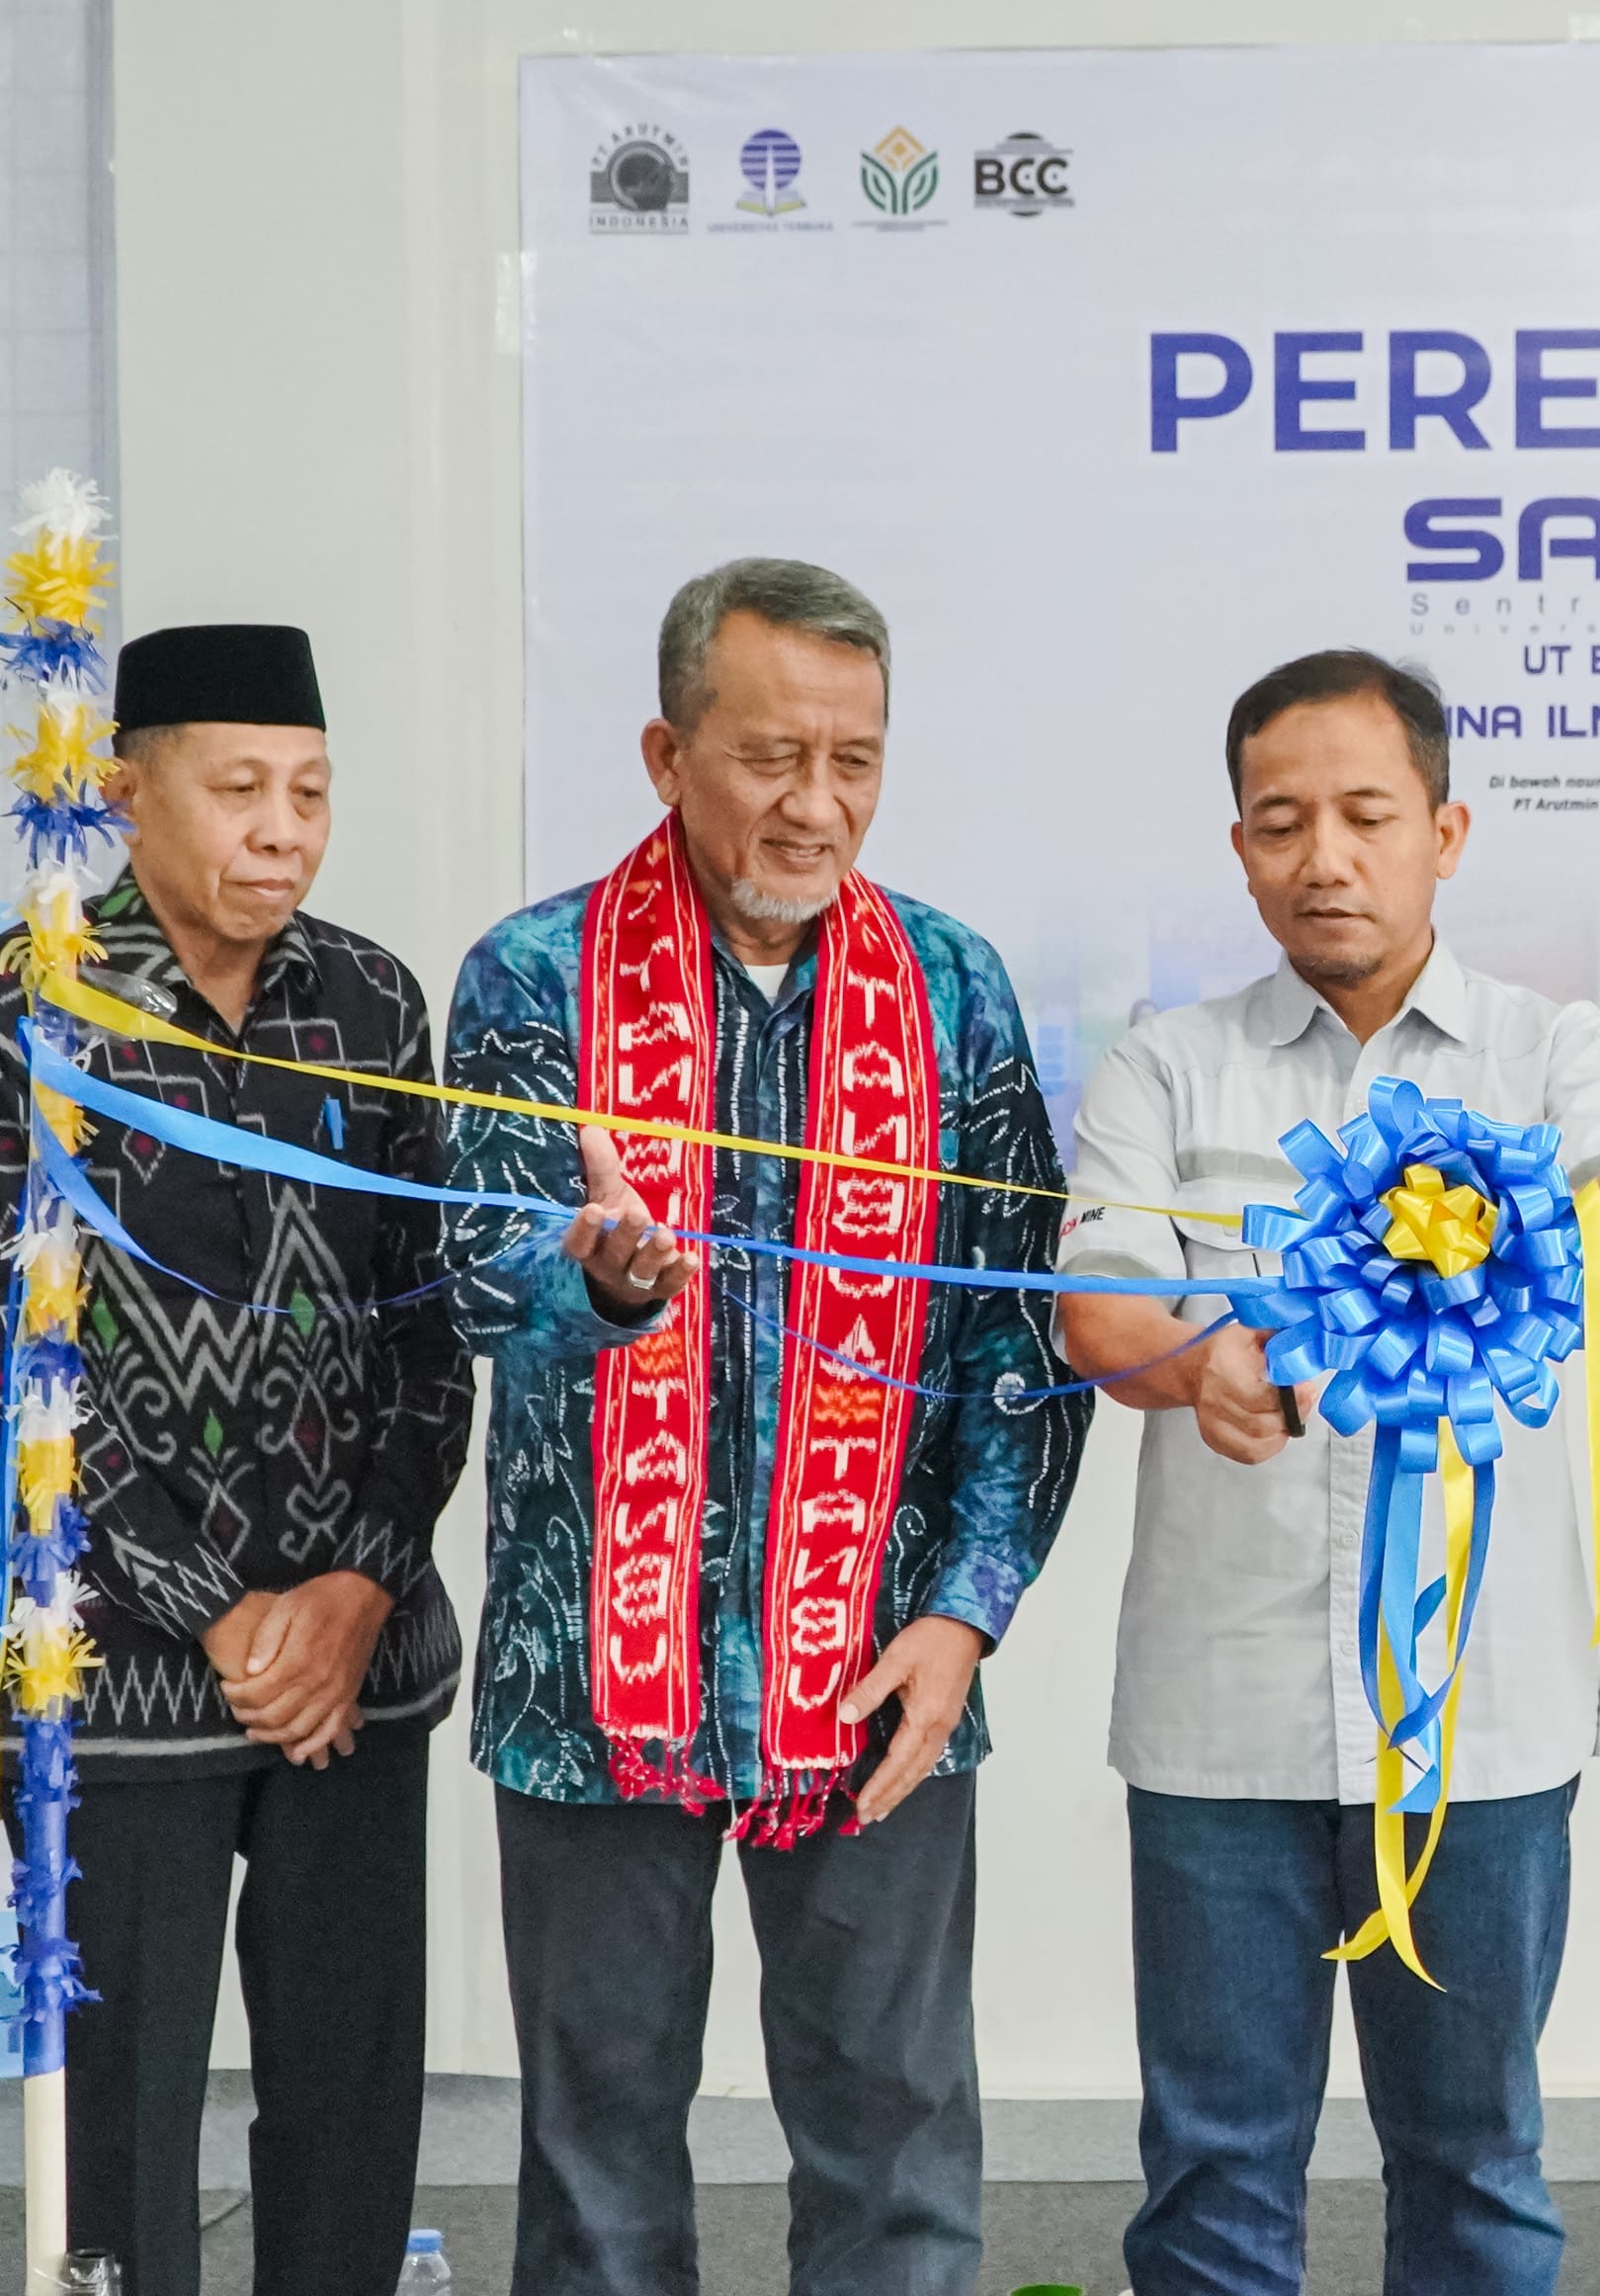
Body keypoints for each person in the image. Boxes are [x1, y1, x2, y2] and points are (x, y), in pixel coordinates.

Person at [443, 556, 1087, 2296]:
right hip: (590, 1684)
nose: (819, 806)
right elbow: (477, 1283)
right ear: (667, 754)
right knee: (595, 2169)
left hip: (878, 1673)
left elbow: (1017, 1345)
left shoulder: (954, 990)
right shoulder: (529, 978)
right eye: (770, 758)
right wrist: (608, 1284)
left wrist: (964, 1619)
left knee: (895, 2163)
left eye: (855, 760)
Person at [1055, 648, 1600, 2296]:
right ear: (1241, 845)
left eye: (1366, 815)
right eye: (1281, 821)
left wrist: (1509, 1248)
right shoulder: (1164, 1066)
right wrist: (1192, 1369)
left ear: (1445, 832)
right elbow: (1091, 1301)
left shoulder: (1556, 1053)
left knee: (1476, 2166)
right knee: (1211, 2168)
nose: (1324, 856)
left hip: (1483, 1716)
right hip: (1220, 1716)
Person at [0, 623, 476, 2296]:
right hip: (129, 1690)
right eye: (239, 790)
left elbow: (430, 1322)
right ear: (123, 796)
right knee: (118, 2137)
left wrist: (361, 1585)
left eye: (309, 792)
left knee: (350, 2104)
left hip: (354, 1683)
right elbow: (2, 1358)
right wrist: (224, 1615)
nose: (283, 830)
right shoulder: (13, 1010)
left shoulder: (369, 998)